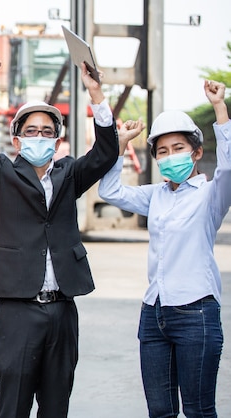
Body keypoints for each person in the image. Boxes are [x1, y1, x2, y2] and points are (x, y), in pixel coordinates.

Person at [0, 54, 120, 418]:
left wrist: (96, 93)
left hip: (62, 311)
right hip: (18, 312)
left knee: (56, 406)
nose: (40, 137)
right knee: (13, 406)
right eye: (31, 131)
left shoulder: (69, 175)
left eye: (48, 131)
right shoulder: (1, 175)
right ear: (16, 139)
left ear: (58, 140)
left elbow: (107, 152)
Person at [99, 80, 229, 417]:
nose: (171, 156)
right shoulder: (155, 195)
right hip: (153, 312)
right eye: (163, 151)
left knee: (199, 410)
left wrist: (219, 108)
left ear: (196, 153)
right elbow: (111, 191)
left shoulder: (210, 195)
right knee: (160, 411)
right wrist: (121, 143)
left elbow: (229, 168)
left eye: (179, 148)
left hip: (196, 313)